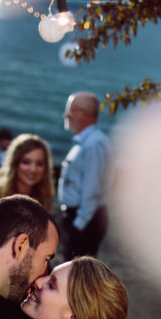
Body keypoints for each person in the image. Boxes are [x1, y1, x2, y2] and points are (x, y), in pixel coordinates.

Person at [58, 92, 111, 260]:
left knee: (76, 273)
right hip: (80, 218)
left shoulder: (93, 144)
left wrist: (80, 224)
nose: (66, 115)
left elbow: (92, 187)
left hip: (84, 220)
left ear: (86, 114)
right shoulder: (86, 142)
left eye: (72, 110)